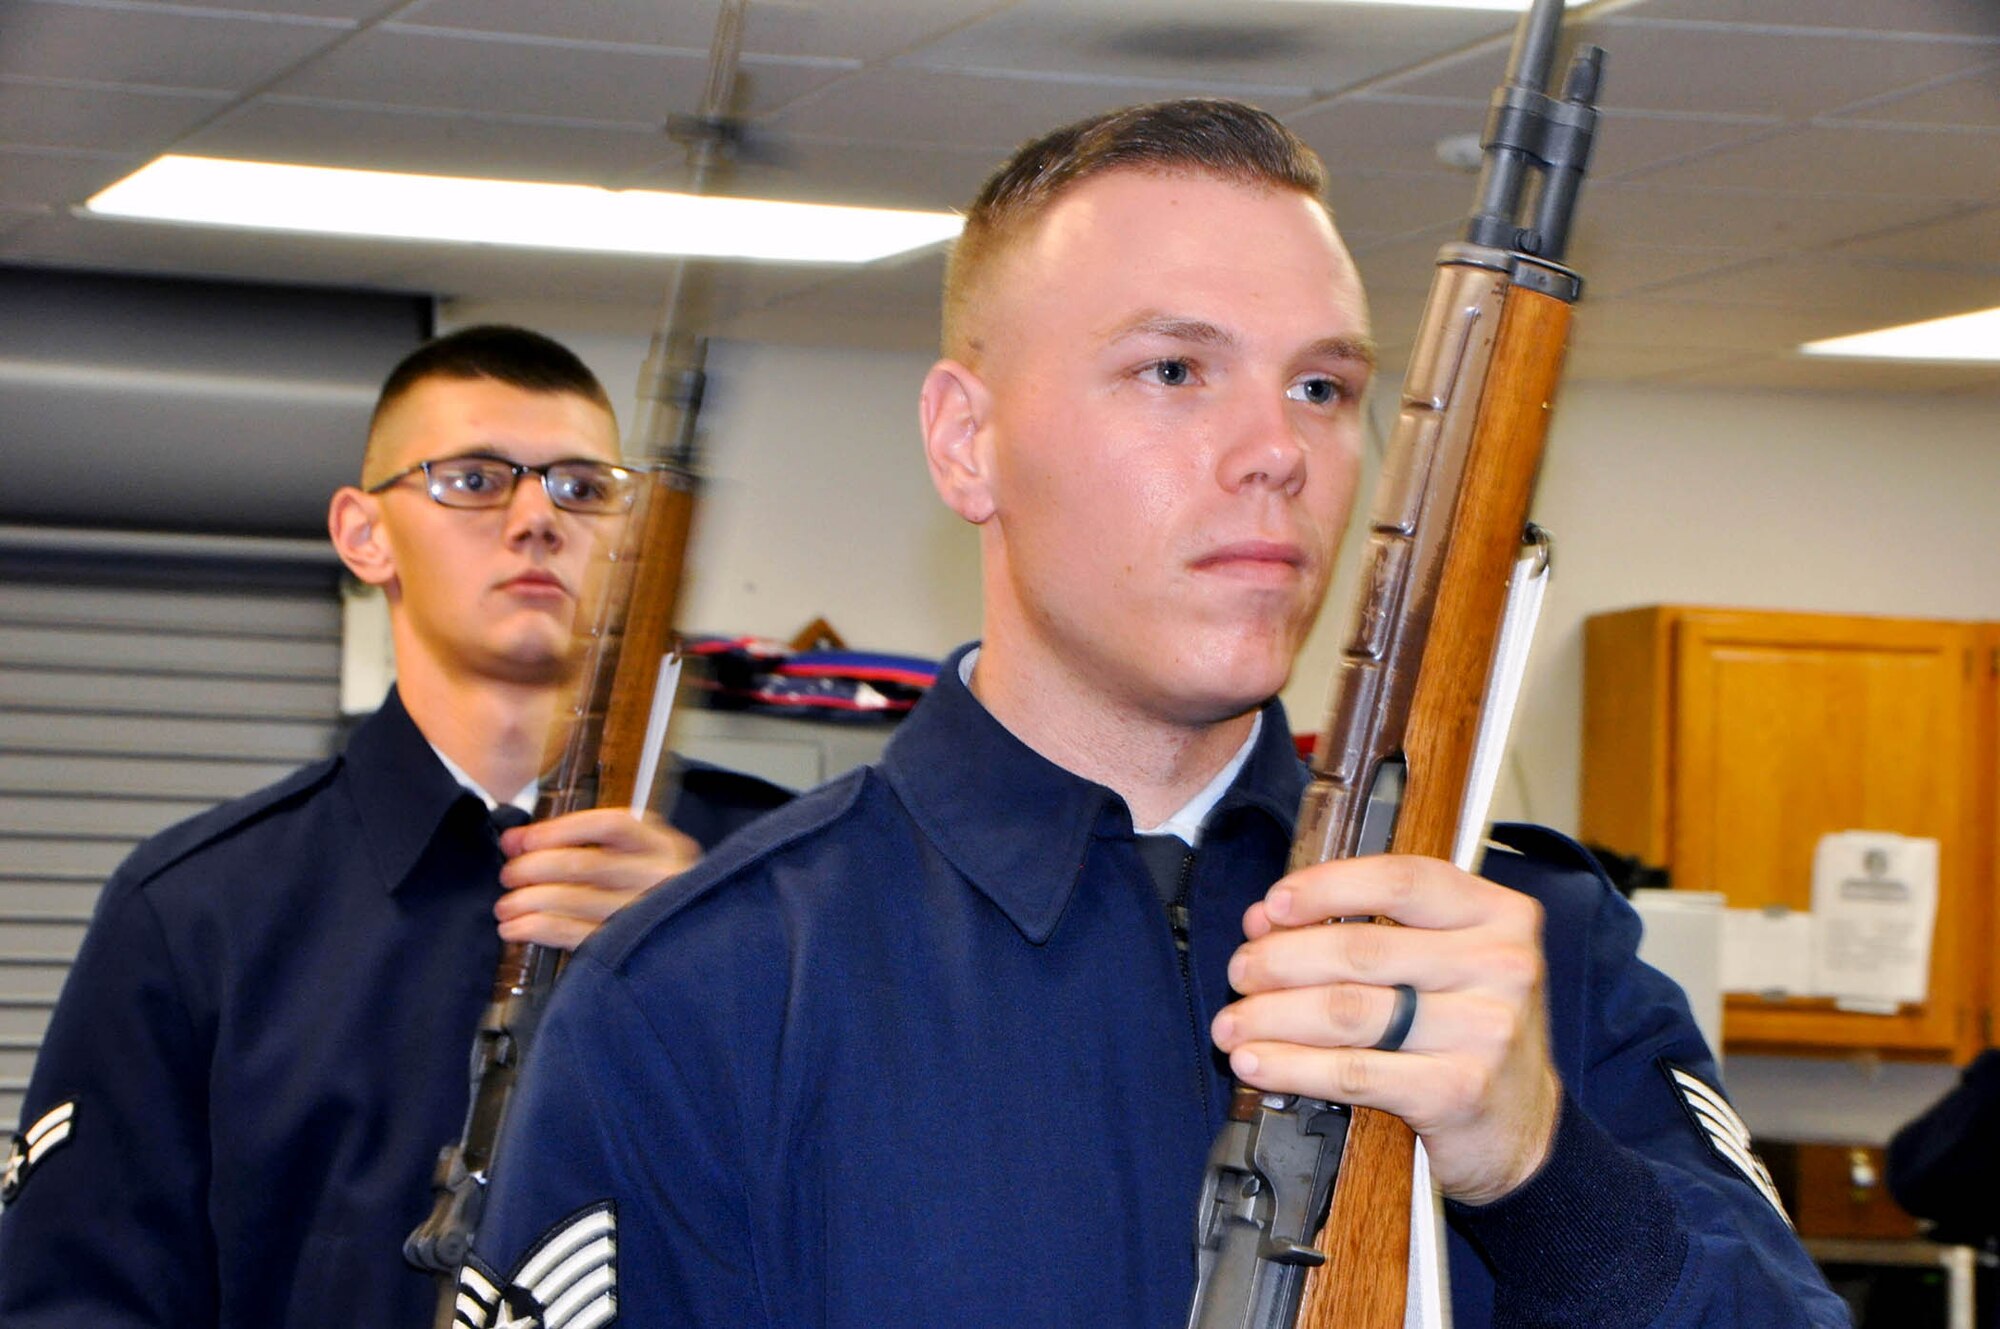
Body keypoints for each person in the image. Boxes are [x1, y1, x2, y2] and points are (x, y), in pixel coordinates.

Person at [470, 103, 1846, 1327]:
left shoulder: (1535, 952)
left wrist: (1544, 1170)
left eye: (1323, 386)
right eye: (1175, 371)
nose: (1276, 454)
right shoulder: (703, 992)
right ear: (967, 440)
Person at [0, 326, 789, 1327]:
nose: (537, 518)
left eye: (584, 489)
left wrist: (719, 962)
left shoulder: (778, 883)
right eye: (472, 480)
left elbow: (890, 1223)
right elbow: (79, 1302)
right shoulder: (199, 915)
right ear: (363, 533)